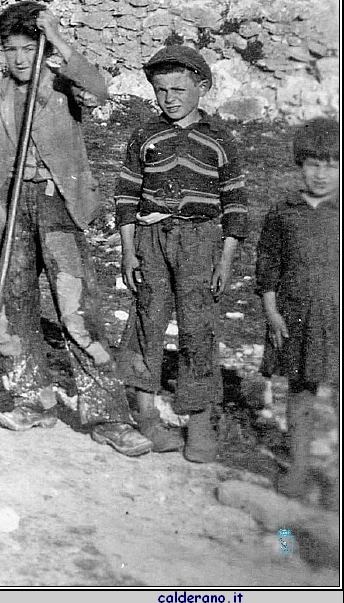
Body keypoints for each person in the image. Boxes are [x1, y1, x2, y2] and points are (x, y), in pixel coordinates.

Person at [0, 1, 151, 456]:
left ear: (42, 47)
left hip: (57, 203)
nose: (18, 59)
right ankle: (33, 400)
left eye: (28, 48)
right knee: (13, 304)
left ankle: (108, 414)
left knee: (75, 308)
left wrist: (61, 41)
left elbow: (100, 90)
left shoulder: (64, 86)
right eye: (9, 49)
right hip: (13, 204)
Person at [115, 45, 248, 463]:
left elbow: (236, 205)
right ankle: (145, 417)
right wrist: (128, 251)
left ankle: (201, 422)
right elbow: (125, 195)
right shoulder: (145, 136)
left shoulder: (220, 140)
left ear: (202, 88)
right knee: (146, 323)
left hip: (200, 242)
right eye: (161, 89)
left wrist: (224, 261)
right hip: (151, 241)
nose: (169, 98)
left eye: (179, 88)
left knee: (197, 328)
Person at [258, 117, 340, 500]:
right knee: (301, 392)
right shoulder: (283, 213)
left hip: (336, 318)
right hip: (297, 318)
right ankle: (300, 467)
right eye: (313, 164)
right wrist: (272, 313)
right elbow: (268, 267)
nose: (321, 174)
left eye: (333, 164)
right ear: (299, 165)